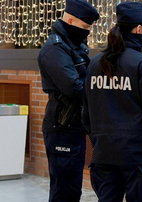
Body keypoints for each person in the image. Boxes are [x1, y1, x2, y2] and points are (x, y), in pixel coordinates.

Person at [82, 2, 142, 201]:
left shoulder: (95, 63)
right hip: (138, 156)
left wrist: (99, 140)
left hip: (103, 154)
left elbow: (86, 112)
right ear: (139, 29)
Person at [37, 0, 99, 201]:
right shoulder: (55, 48)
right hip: (62, 126)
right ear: (70, 20)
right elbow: (74, 87)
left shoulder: (73, 44)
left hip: (74, 124)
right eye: (84, 27)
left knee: (72, 185)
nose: (87, 32)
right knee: (65, 189)